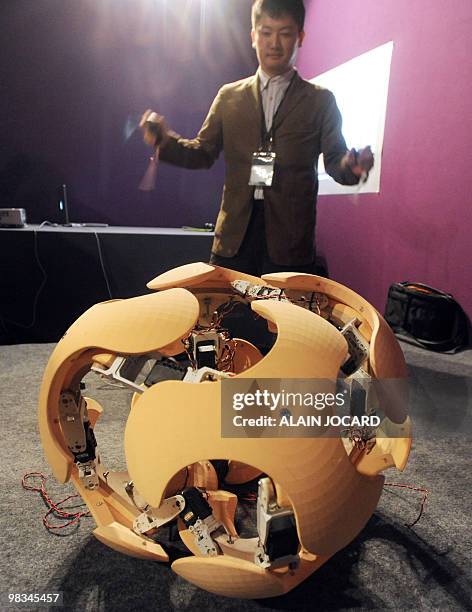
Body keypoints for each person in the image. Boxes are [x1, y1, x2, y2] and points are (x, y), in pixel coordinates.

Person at [141, 0, 373, 277]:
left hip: (290, 242)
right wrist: (164, 141)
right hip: (233, 238)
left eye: (285, 33)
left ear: (300, 37)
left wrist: (352, 167)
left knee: (283, 320)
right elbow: (202, 153)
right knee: (227, 318)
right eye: (265, 32)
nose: (274, 43)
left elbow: (337, 162)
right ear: (253, 36)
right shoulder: (229, 96)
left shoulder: (321, 101)